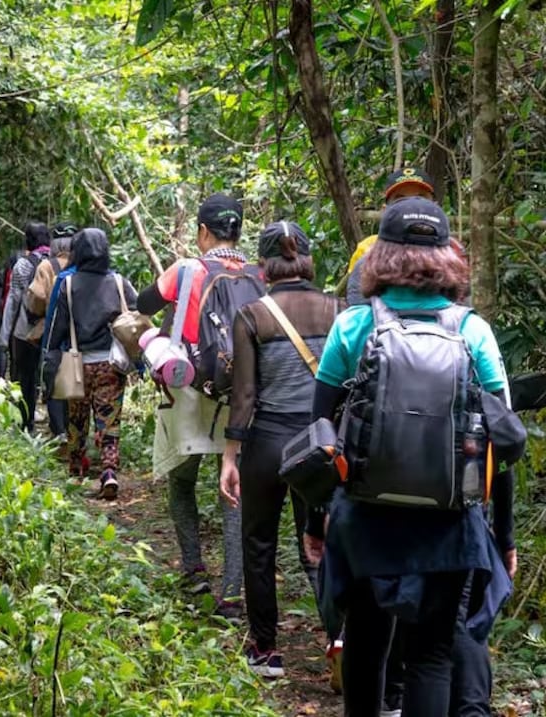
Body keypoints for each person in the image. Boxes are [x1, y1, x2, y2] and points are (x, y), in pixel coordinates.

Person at [302, 197, 515, 717]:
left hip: (365, 520)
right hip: (448, 525)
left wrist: (316, 520)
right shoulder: (472, 330)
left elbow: (320, 435)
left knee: (367, 645)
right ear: (448, 256)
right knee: (432, 656)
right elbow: (502, 442)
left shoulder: (354, 326)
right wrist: (501, 537)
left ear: (382, 255)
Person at [218, 221, 342, 677]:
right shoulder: (339, 310)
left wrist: (230, 456)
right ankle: (340, 636)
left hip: (269, 443)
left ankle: (265, 650)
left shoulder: (253, 315)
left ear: (264, 264)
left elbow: (244, 395)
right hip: (321, 445)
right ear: (306, 258)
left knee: (258, 544)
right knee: (326, 542)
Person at [135, 193, 251, 615]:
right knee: (234, 493)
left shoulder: (187, 269)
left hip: (188, 387)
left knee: (182, 483)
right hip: (239, 396)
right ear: (238, 229)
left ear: (203, 231)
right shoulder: (256, 274)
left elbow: (144, 304)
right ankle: (235, 591)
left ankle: (194, 570)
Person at [46, 228, 137, 499]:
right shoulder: (119, 282)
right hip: (111, 364)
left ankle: (76, 471)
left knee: (76, 420)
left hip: (77, 364)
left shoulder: (68, 284)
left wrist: (48, 366)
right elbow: (135, 319)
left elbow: (55, 331)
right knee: (109, 421)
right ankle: (109, 471)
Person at [345, 167, 436, 306]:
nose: (411, 205)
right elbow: (357, 305)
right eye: (400, 199)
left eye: (420, 197)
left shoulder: (450, 252)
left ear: (435, 206)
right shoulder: (368, 248)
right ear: (385, 210)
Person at [0, 223, 52, 431]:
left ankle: (24, 422)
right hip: (49, 330)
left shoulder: (22, 265)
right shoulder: (55, 264)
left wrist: (4, 337)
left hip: (24, 331)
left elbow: (13, 301)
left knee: (23, 377)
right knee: (43, 375)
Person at [27, 225, 77, 440]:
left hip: (53, 331)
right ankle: (74, 430)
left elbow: (36, 298)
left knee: (53, 381)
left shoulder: (47, 266)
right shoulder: (83, 266)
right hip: (80, 334)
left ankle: (59, 431)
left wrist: (37, 312)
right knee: (74, 383)